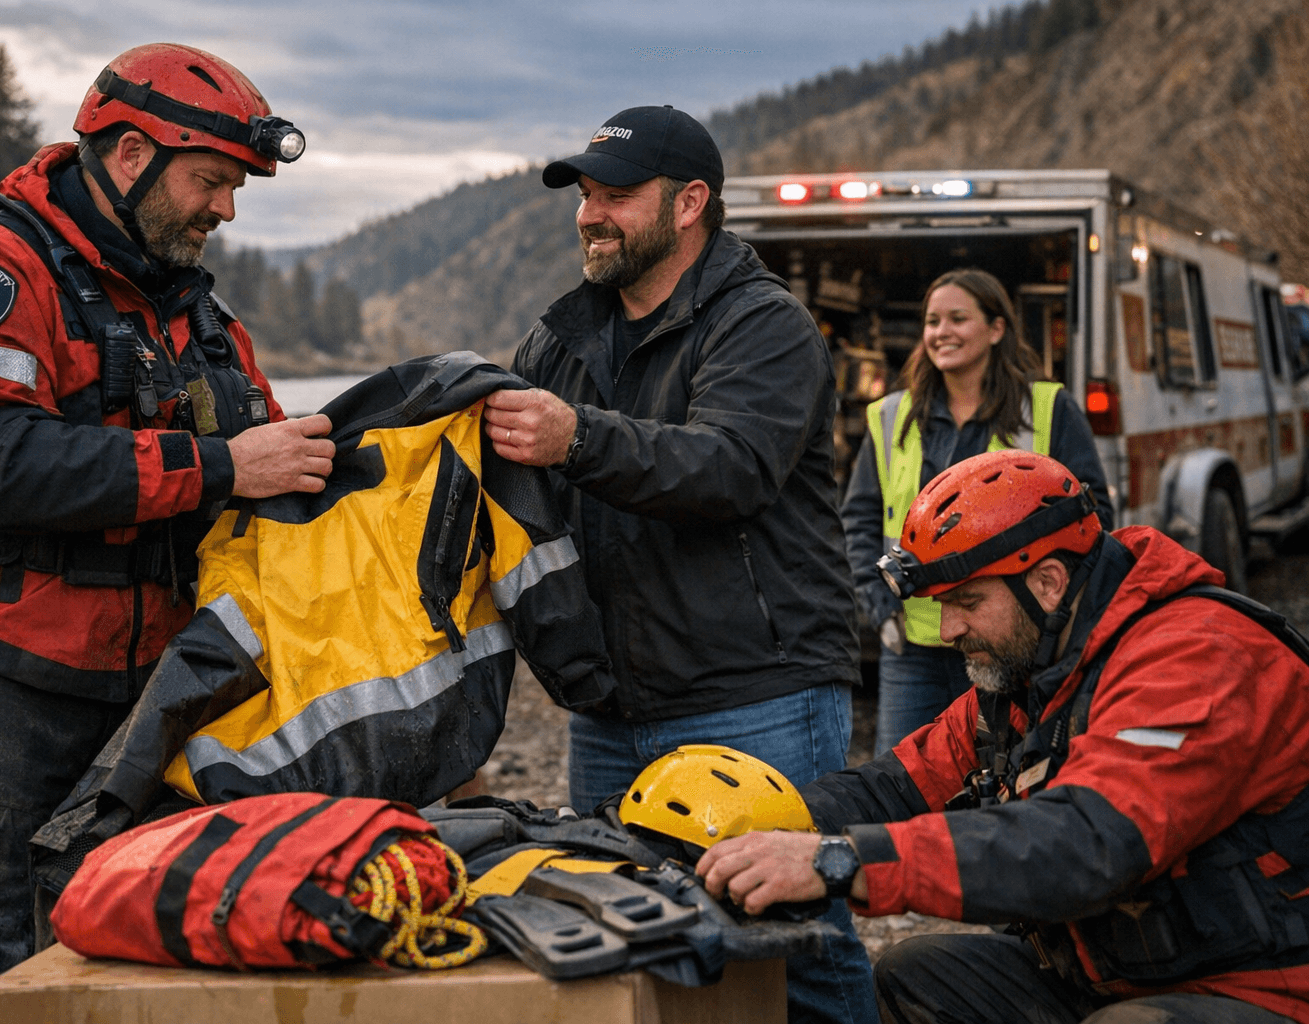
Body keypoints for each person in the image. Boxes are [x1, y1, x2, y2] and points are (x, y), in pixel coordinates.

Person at [0, 44, 335, 1024]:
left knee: (123, 973)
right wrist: (222, 467)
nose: (225, 211)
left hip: (147, 701)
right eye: (212, 182)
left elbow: (271, 475)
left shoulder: (197, 319)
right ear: (127, 157)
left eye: (235, 188)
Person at [482, 104, 876, 1024]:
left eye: (616, 196)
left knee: (799, 942)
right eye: (584, 196)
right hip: (611, 708)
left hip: (758, 693)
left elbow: (728, 470)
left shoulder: (764, 326)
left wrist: (576, 439)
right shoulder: (556, 341)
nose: (590, 215)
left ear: (691, 202)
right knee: (634, 938)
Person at [699, 449, 1309, 1024]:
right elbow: (895, 785)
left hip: (1259, 985)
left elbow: (1088, 842)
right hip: (1116, 974)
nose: (946, 629)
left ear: (1046, 582)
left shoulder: (1198, 655)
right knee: (915, 975)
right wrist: (737, 829)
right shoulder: (1034, 672)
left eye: (965, 600)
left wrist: (841, 860)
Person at [841, 268, 1113, 757]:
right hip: (914, 648)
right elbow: (859, 519)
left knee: (1007, 778)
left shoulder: (1047, 409)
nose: (941, 332)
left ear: (996, 328)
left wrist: (1057, 619)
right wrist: (880, 607)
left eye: (957, 319)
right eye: (932, 321)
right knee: (905, 782)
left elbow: (1093, 519)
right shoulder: (891, 416)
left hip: (1012, 644)